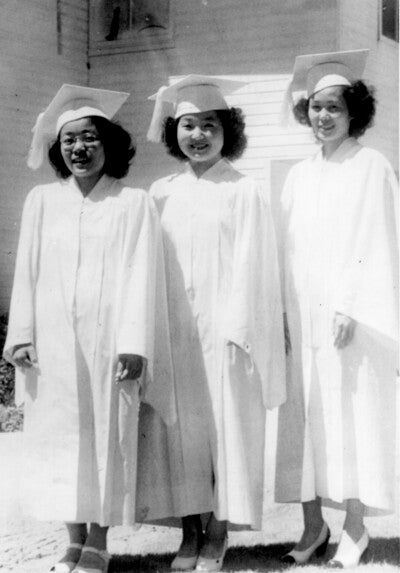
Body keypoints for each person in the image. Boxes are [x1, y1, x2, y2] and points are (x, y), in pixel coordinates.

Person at [3, 84, 175, 573]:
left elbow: (144, 274)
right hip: (53, 345)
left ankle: (99, 540)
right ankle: (72, 540)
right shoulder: (41, 200)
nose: (79, 148)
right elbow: (27, 272)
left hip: (109, 343)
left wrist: (135, 343)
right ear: (59, 149)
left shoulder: (133, 202)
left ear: (111, 143)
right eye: (69, 141)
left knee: (105, 436)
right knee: (59, 441)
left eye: (90, 138)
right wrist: (20, 334)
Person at [145, 75, 286, 572]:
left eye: (209, 125)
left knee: (227, 433)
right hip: (175, 334)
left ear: (228, 131)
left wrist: (238, 330)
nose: (198, 135)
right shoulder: (160, 193)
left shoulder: (245, 191)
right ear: (174, 132)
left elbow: (257, 268)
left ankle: (219, 533)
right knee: (180, 434)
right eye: (188, 125)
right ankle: (189, 531)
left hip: (228, 336)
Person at [275, 50, 398, 568]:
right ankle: (311, 527)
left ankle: (354, 527)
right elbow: (284, 249)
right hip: (302, 315)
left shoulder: (372, 166)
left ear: (354, 113)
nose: (323, 117)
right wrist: (280, 312)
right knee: (304, 419)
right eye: (316, 107)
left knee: (350, 418)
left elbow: (378, 238)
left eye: (334, 108)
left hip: (350, 318)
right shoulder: (298, 175)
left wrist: (350, 305)